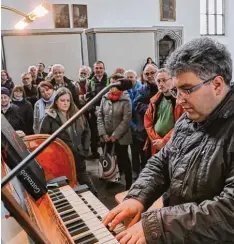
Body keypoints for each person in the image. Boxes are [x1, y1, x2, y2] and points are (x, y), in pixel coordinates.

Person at [103, 37, 234, 243]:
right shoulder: (189, 118)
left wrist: (160, 225)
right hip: (179, 231)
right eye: (177, 90)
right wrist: (138, 196)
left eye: (187, 89)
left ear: (217, 84)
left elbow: (229, 213)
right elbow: (162, 161)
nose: (180, 100)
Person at [40, 87, 97, 195]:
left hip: (78, 156)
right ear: (56, 101)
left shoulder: (77, 114)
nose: (65, 103)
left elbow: (87, 131)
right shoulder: (49, 118)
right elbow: (43, 139)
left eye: (68, 100)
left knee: (90, 189)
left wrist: (84, 149)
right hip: (60, 160)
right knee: (66, 189)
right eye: (62, 100)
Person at [97, 74, 132, 190]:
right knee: (109, 158)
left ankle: (129, 184)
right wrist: (103, 133)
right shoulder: (105, 97)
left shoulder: (126, 99)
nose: (112, 87)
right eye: (111, 83)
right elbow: (100, 116)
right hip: (106, 136)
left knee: (123, 160)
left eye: (115, 84)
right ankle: (110, 178)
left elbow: (126, 120)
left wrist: (115, 135)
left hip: (121, 137)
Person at [144, 68, 184, 155]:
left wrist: (164, 141)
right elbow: (147, 122)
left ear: (173, 80)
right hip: (156, 145)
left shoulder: (181, 100)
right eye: (158, 81)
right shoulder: (154, 100)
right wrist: (156, 140)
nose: (161, 84)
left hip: (174, 145)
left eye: (164, 80)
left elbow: (182, 124)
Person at [133, 64, 158, 163]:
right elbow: (137, 105)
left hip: (161, 132)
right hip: (145, 131)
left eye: (152, 73)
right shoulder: (141, 90)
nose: (150, 76)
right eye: (147, 74)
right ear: (143, 76)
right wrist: (153, 109)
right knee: (146, 159)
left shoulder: (164, 87)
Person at [86, 61, 110, 159]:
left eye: (100, 68)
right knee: (93, 133)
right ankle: (94, 153)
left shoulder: (108, 80)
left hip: (107, 111)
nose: (99, 70)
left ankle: (107, 153)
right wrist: (93, 110)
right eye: (97, 68)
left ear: (104, 69)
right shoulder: (90, 82)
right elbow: (88, 98)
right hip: (94, 111)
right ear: (94, 69)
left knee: (106, 132)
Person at [124, 70, 145, 180]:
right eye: (127, 77)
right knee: (134, 151)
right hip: (131, 126)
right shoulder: (124, 91)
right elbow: (127, 112)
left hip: (143, 126)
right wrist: (132, 125)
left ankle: (145, 172)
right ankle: (136, 171)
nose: (129, 79)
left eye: (131, 77)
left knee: (144, 152)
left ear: (136, 78)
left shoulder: (142, 89)